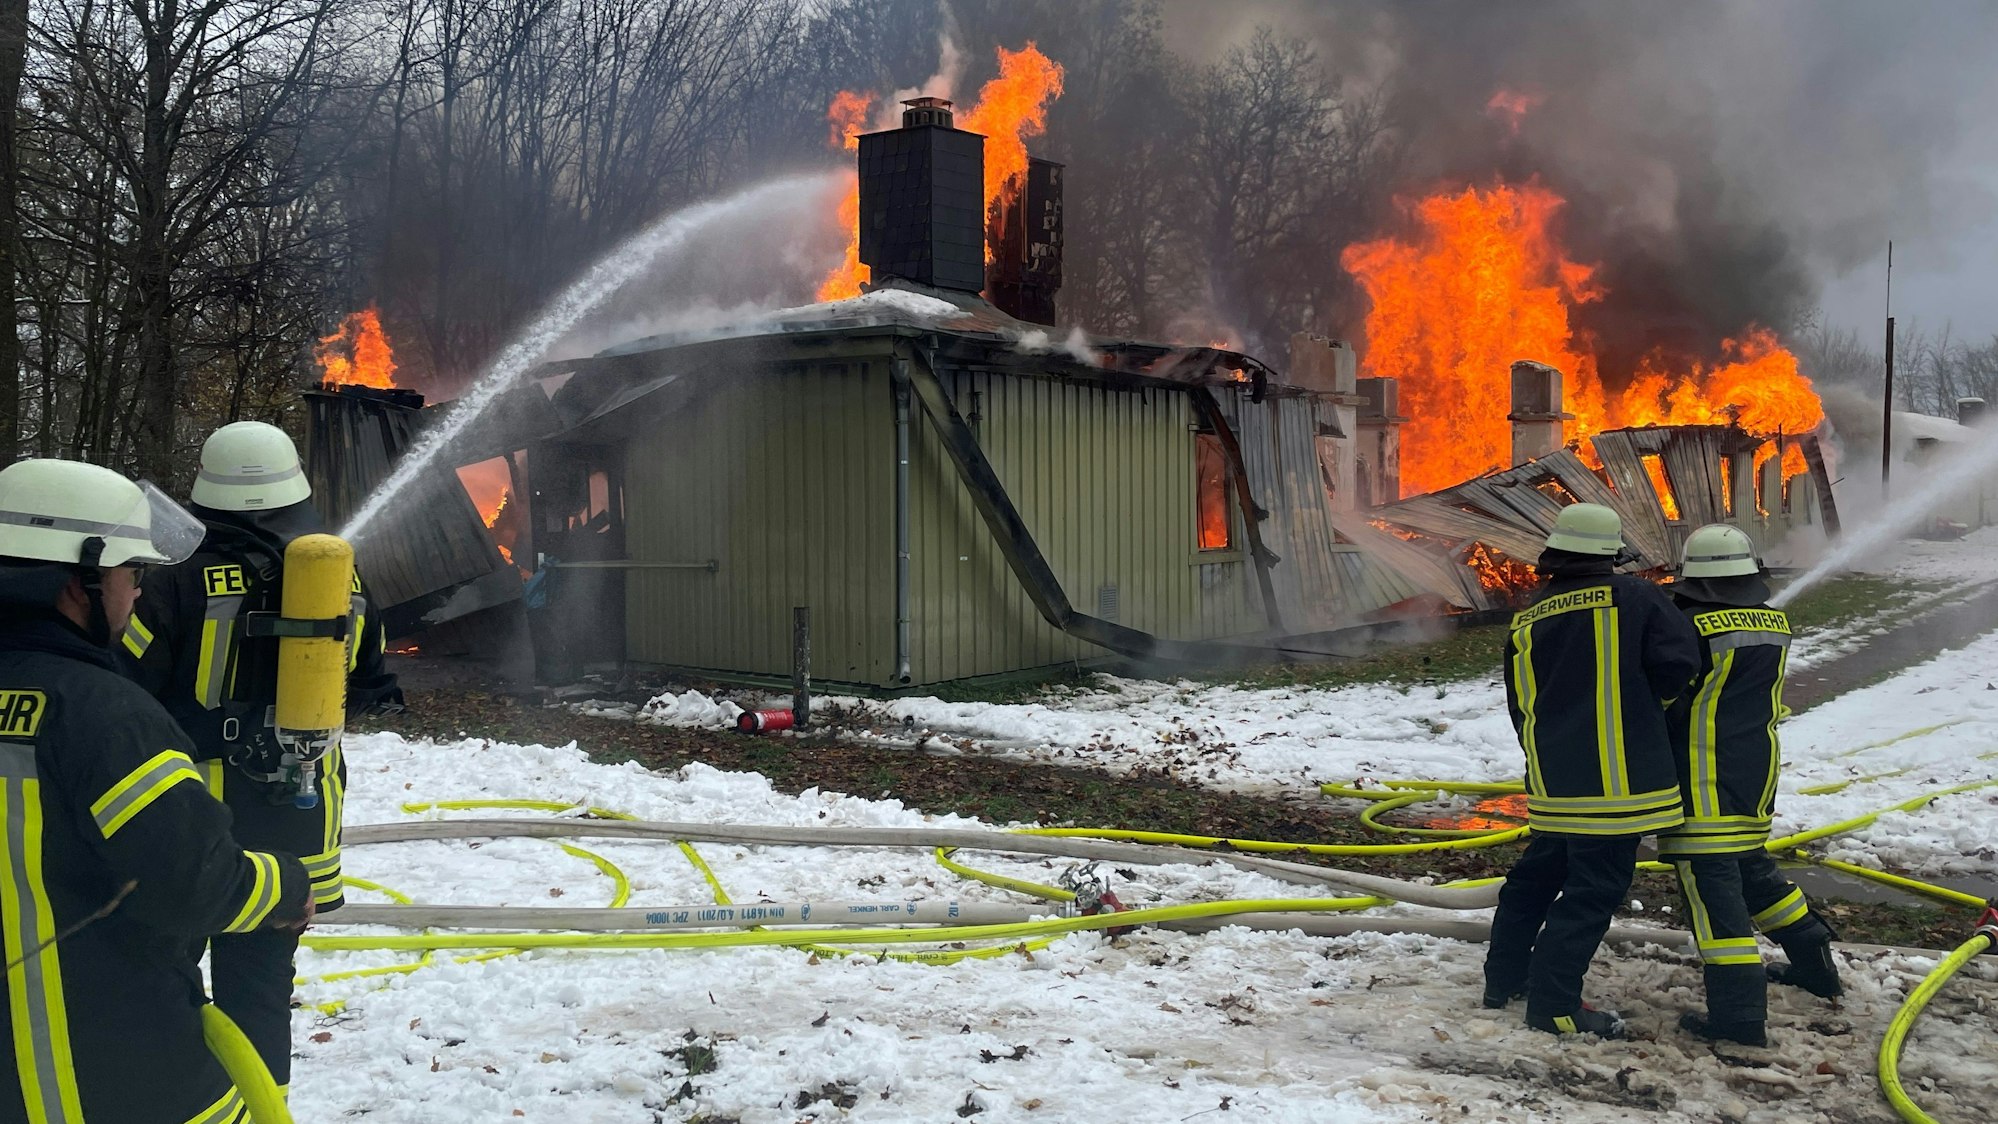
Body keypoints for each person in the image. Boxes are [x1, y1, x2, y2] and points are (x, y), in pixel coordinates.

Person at [0, 457, 313, 1123]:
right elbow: (194, 884)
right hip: (117, 1076)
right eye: (131, 573)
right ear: (79, 581)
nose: (137, 593)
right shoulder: (106, 716)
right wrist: (283, 885)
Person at [119, 421, 402, 1093]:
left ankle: (183, 1103)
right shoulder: (338, 573)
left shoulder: (168, 582)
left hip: (188, 827)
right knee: (261, 994)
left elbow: (121, 696)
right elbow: (366, 681)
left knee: (166, 980)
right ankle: (262, 1106)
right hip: (294, 830)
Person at [1483, 503, 1702, 1037]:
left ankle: (1503, 980)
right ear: (1610, 555)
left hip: (1556, 784)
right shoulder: (1636, 597)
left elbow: (1520, 704)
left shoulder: (1530, 616)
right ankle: (1555, 1006)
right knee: (1591, 893)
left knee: (1533, 882)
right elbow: (1681, 665)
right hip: (1618, 787)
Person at [1661, 523, 1843, 1047]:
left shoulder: (1689, 629)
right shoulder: (1774, 621)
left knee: (1714, 896)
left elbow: (1666, 697)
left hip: (1701, 782)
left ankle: (1739, 1021)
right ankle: (1815, 964)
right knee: (1753, 872)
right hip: (1753, 775)